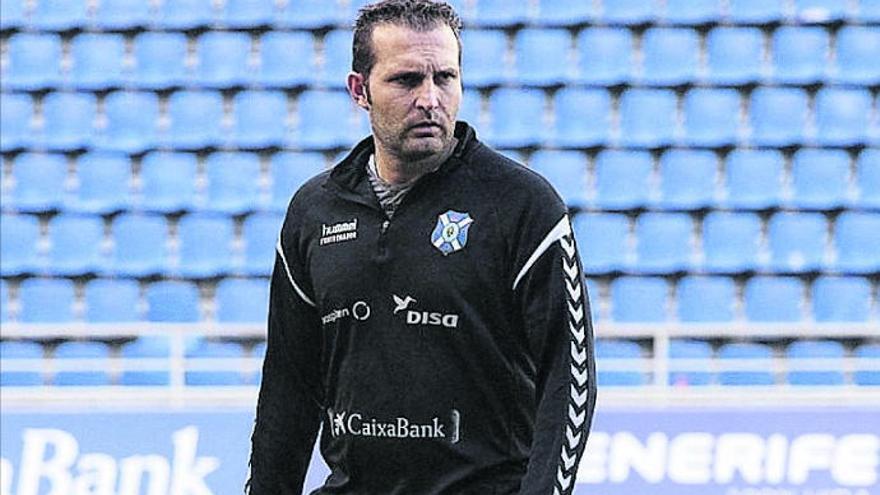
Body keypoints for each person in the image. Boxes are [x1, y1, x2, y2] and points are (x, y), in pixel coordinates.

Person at [246, 0, 597, 493]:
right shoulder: (314, 212)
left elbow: (569, 380)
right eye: (407, 80)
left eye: (445, 78)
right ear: (359, 90)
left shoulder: (522, 206)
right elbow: (289, 385)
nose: (430, 98)